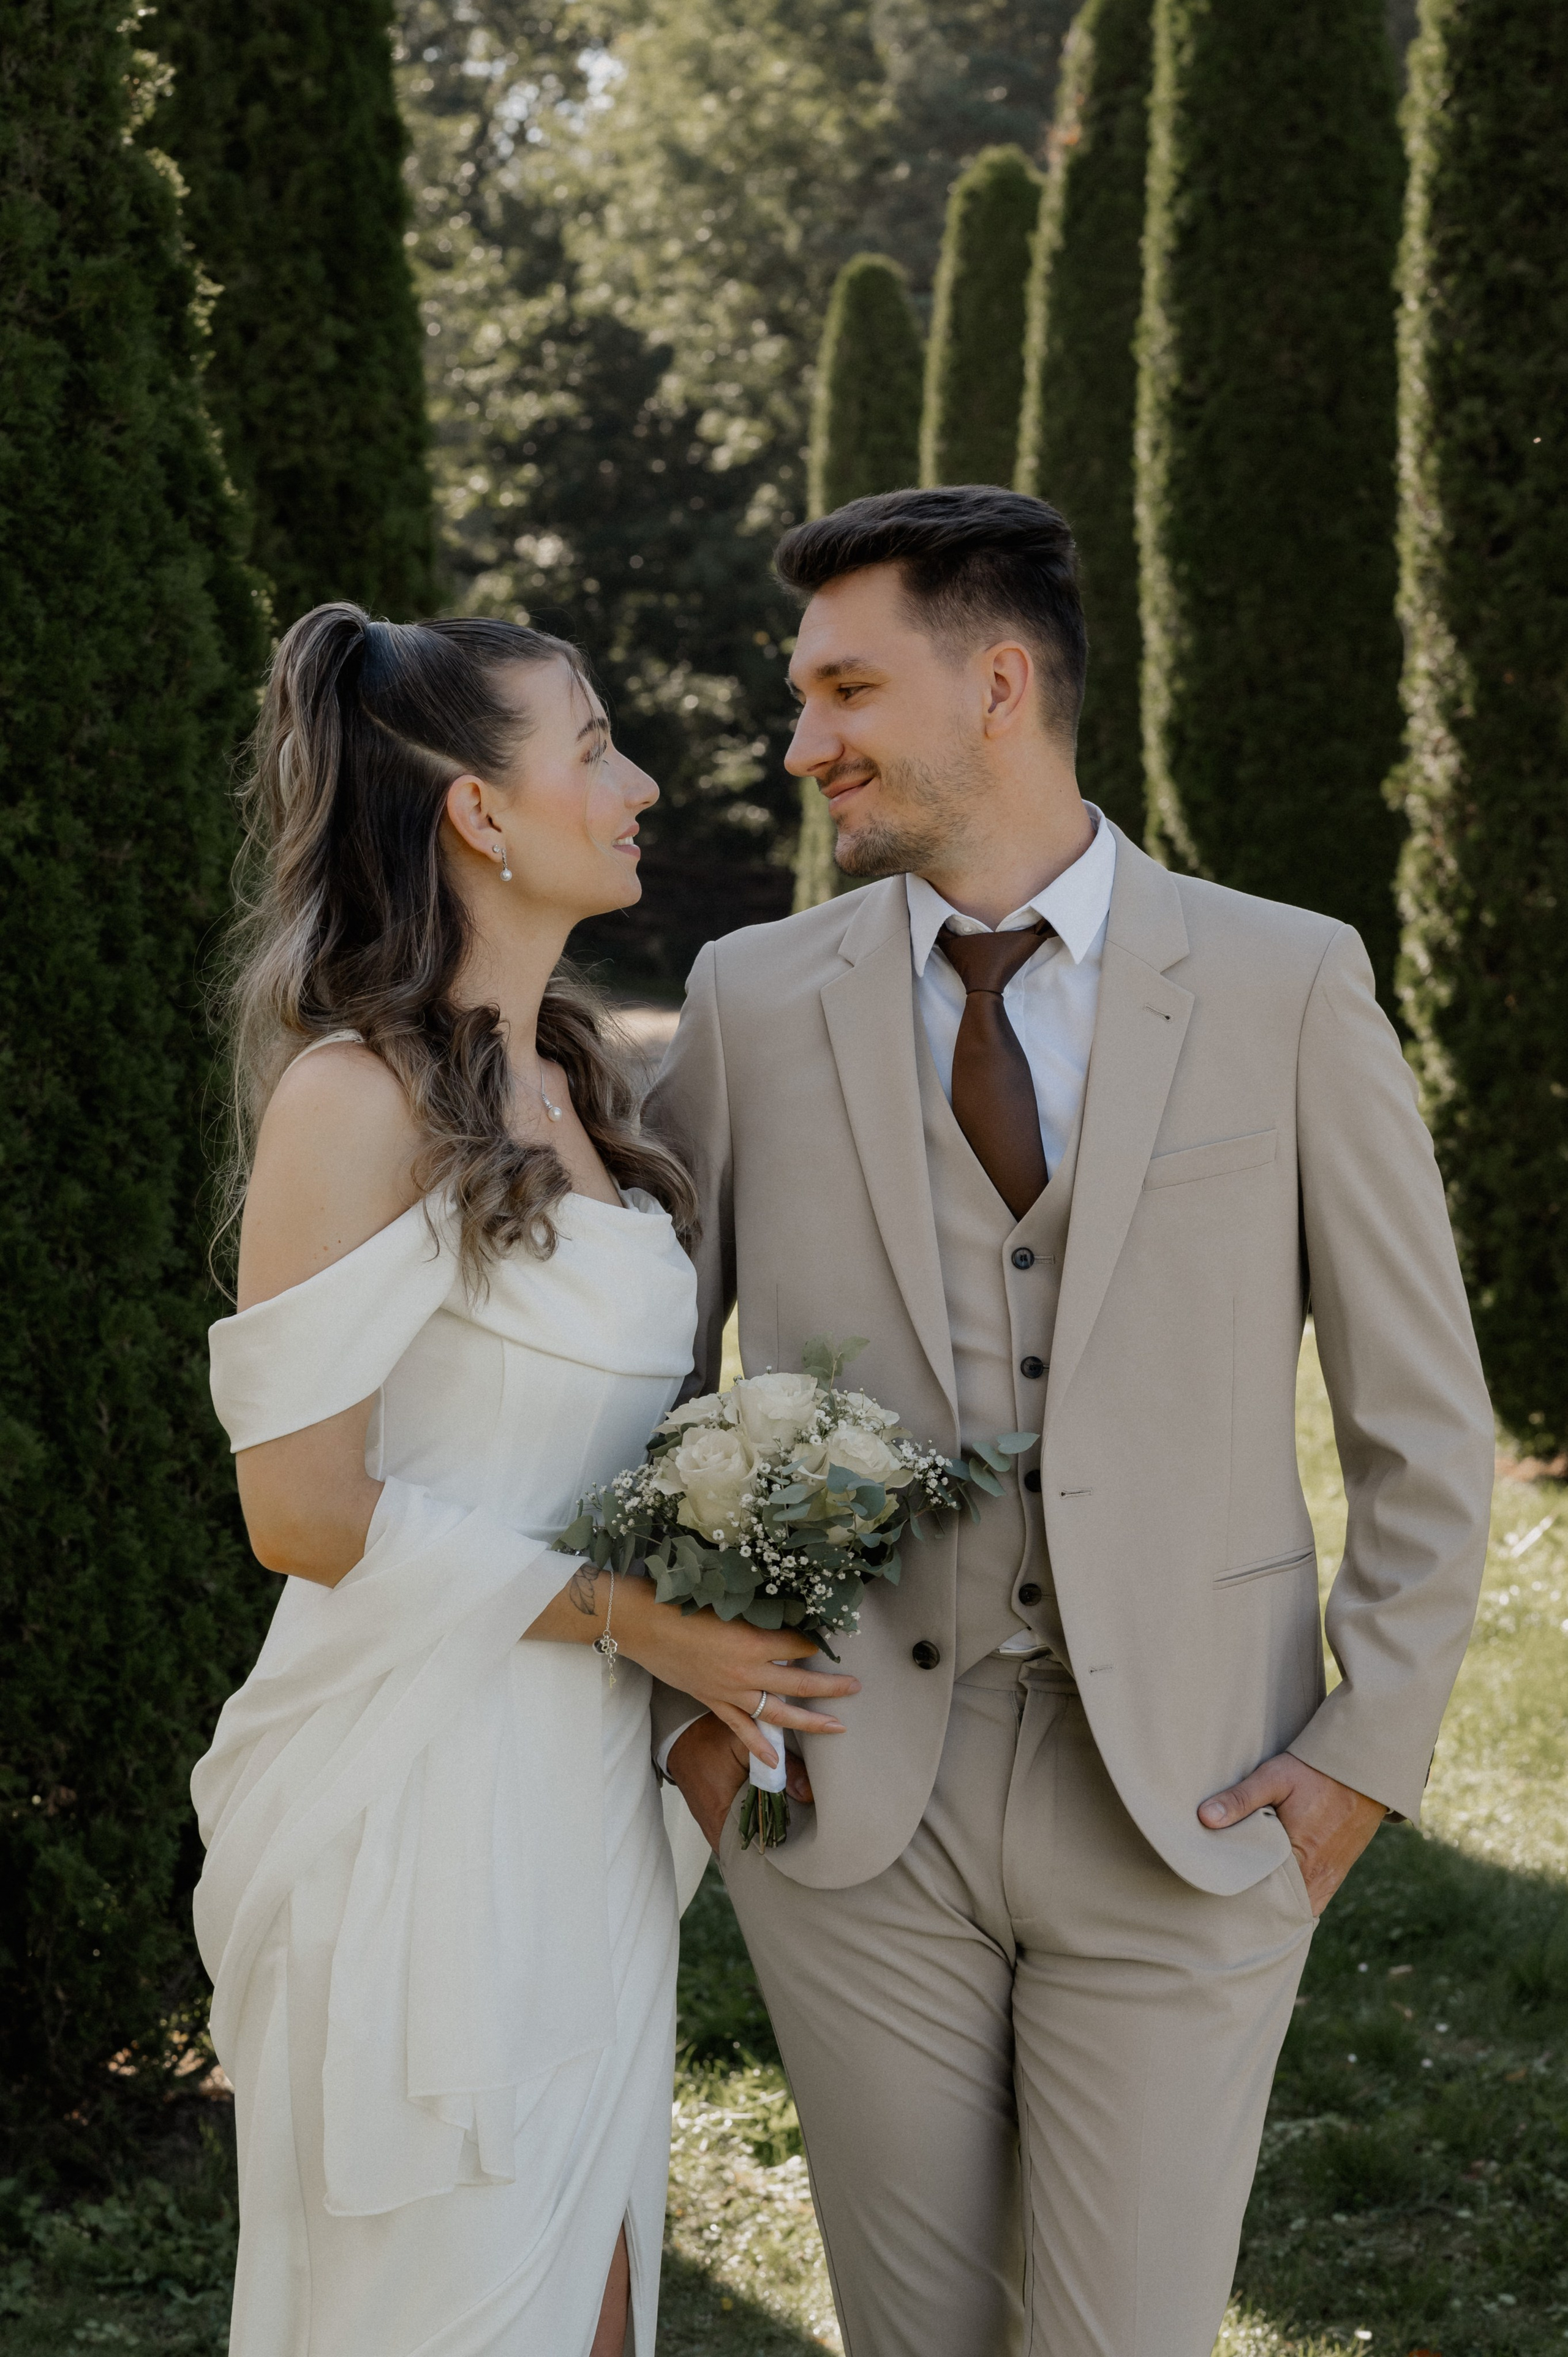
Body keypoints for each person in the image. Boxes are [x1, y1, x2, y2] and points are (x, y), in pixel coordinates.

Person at [647, 487, 1495, 2357]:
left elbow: (1423, 1421)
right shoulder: (752, 999)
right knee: (917, 2339)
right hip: (857, 1799)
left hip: (1192, 1790)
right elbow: (641, 1372)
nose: (804, 746)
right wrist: (693, 1705)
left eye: (845, 690)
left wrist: (1367, 1751)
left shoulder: (1286, 980)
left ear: (1001, 683)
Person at [191, 605, 858, 2357]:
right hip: (427, 1801)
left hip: (584, 1802)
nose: (637, 782)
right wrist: (651, 1629)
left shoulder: (581, 1076)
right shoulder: (354, 1098)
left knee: (598, 2298)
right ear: (480, 813)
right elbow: (304, 1513)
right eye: (593, 748)